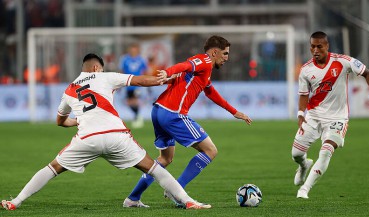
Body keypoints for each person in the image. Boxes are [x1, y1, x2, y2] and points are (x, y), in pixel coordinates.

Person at [1, 53, 210, 211]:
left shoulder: (69, 89)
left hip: (87, 138)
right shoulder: (104, 77)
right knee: (154, 168)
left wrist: (79, 121)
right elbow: (140, 80)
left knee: (52, 168)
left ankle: (15, 201)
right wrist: (165, 79)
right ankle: (188, 201)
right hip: (115, 135)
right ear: (95, 67)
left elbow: (60, 121)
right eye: (100, 69)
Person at [125, 35, 252, 207]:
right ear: (215, 52)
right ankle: (177, 191)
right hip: (173, 113)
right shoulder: (204, 60)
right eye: (225, 53)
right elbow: (184, 65)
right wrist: (168, 72)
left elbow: (211, 92)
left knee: (165, 159)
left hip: (158, 110)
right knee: (210, 150)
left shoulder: (205, 70)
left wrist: (234, 112)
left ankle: (132, 198)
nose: (227, 58)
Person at [292, 31, 369, 199]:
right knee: (296, 154)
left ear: (327, 46)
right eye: (312, 46)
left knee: (326, 151)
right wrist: (300, 113)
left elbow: (367, 73)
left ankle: (305, 189)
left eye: (319, 46)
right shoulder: (306, 70)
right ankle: (303, 165)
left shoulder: (343, 62)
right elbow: (303, 94)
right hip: (314, 116)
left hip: (337, 118)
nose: (315, 50)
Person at [119, 43, 148, 128]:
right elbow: (121, 70)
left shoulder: (141, 59)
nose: (133, 51)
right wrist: (120, 83)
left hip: (138, 84)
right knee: (129, 102)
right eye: (132, 49)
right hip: (128, 84)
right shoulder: (125, 59)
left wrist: (145, 82)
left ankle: (137, 117)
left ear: (137, 50)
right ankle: (137, 115)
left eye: (135, 49)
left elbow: (145, 71)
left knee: (135, 100)